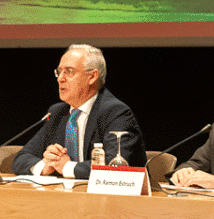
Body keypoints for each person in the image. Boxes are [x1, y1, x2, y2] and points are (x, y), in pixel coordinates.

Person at [12, 44, 146, 179]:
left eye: (69, 71)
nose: (60, 79)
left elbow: (115, 166)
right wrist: (46, 165)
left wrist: (67, 167)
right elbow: (21, 158)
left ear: (92, 77)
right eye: (59, 72)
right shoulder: (57, 113)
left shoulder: (115, 112)